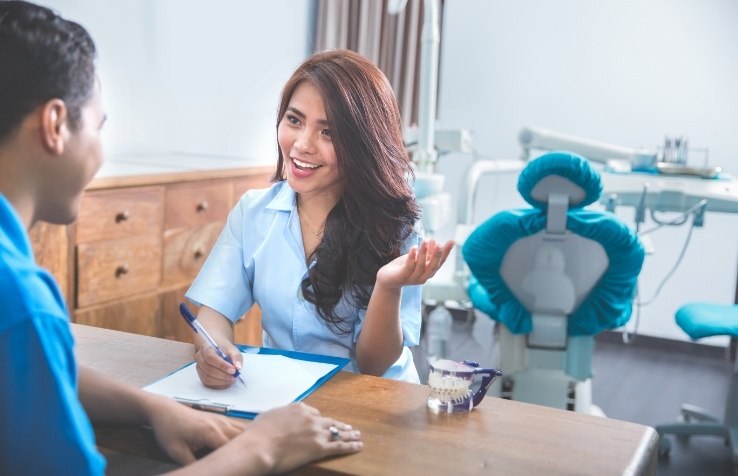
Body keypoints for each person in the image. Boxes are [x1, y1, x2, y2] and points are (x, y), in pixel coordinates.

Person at [0, 2, 361, 475]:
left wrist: (152, 407)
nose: (303, 142)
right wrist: (262, 448)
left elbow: (39, 376)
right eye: (99, 125)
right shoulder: (22, 300)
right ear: (54, 126)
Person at [187, 49, 454, 388]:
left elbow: (374, 365)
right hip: (283, 395)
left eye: (328, 132)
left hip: (374, 403)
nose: (301, 144)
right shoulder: (253, 213)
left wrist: (388, 285)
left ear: (363, 144)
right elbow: (214, 309)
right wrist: (216, 348)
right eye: (294, 120)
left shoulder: (397, 227)